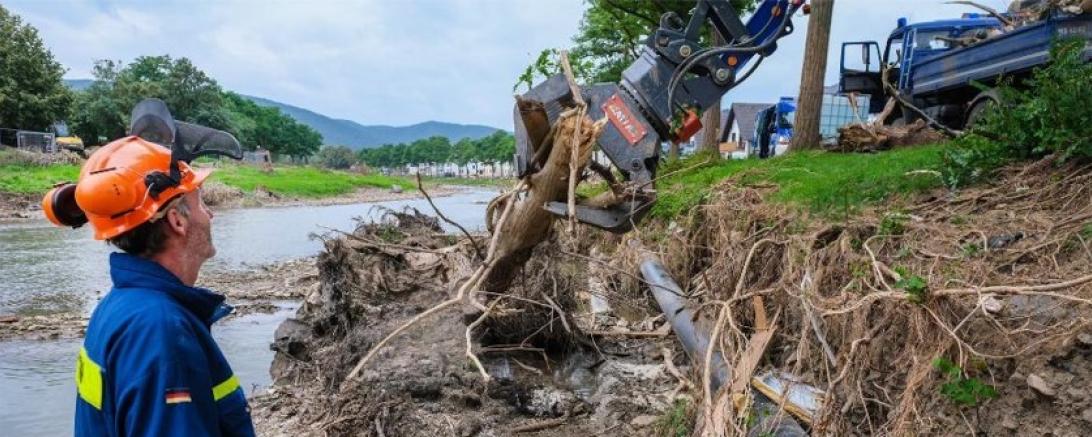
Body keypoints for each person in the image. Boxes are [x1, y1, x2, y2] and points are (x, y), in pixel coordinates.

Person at [44, 135, 256, 436]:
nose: (210, 214)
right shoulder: (161, 330)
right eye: (201, 202)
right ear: (177, 221)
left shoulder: (119, 306)